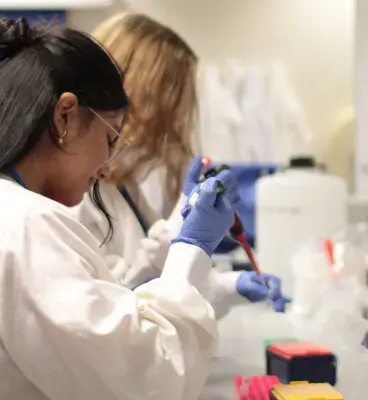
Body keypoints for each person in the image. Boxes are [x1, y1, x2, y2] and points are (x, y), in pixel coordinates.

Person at [0, 18, 242, 400]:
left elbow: (102, 321)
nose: (107, 165)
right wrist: (191, 247)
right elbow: (147, 375)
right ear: (65, 116)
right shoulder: (23, 227)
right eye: (110, 137)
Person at [72, 13, 288, 316]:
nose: (172, 123)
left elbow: (172, 288)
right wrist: (181, 232)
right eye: (166, 106)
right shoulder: (74, 194)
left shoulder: (123, 186)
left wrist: (231, 286)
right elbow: (110, 308)